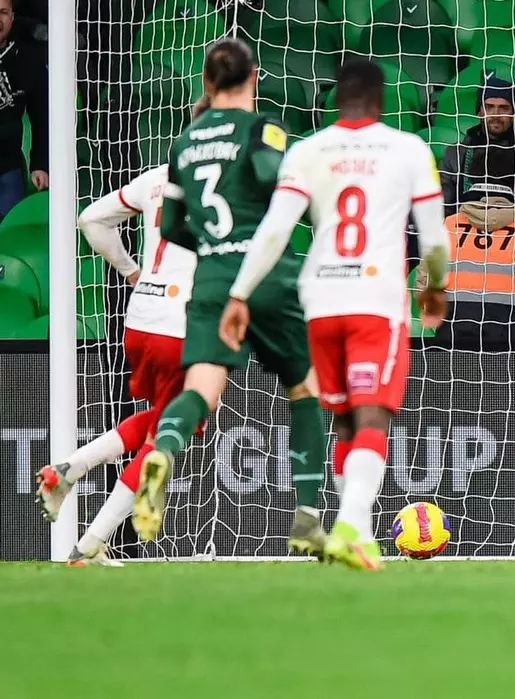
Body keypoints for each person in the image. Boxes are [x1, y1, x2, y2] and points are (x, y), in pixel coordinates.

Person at [217, 58, 450, 571]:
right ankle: (349, 523)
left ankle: (358, 537)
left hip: (319, 300)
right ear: (382, 101)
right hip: (376, 300)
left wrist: (239, 293)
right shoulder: (408, 148)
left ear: (335, 100)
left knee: (343, 418)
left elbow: (275, 230)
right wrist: (436, 286)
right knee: (373, 414)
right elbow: (434, 238)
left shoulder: (307, 150)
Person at [138, 38, 328, 556]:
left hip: (212, 279)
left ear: (206, 82)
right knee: (304, 387)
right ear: (254, 77)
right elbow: (273, 184)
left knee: (201, 388)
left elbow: (171, 225)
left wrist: (212, 245)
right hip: (266, 274)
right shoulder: (264, 129)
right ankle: (307, 518)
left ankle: (163, 452)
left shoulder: (183, 142)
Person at [33, 97, 212, 566]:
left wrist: (132, 271)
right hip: (183, 323)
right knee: (166, 434)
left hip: (142, 318)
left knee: (161, 419)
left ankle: (68, 471)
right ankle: (88, 545)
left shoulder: (157, 177)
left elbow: (90, 219)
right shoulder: (227, 183)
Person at [417, 153, 515, 348]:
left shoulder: (446, 226)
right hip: (513, 336)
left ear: (471, 179)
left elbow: (425, 285)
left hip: (453, 332)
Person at [440, 77, 515, 233]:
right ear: (479, 111)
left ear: (513, 113)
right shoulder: (456, 154)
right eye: (489, 107)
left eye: (503, 108)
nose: (496, 114)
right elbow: (443, 208)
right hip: (464, 238)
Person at [0, 0, 47, 220]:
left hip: (8, 169)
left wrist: (40, 164)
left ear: (12, 18)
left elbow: (42, 115)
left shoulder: (27, 58)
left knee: (11, 231)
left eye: (3, 12)